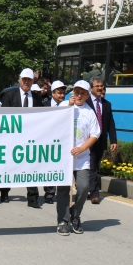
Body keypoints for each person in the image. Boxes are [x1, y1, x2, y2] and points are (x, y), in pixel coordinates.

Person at [56, 80, 100, 236]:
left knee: (83, 187)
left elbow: (95, 134)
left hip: (82, 159)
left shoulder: (89, 112)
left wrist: (82, 148)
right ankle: (62, 221)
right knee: (62, 190)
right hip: (64, 158)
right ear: (73, 92)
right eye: (77, 92)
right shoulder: (64, 106)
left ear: (88, 95)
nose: (79, 96)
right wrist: (68, 106)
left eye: (83, 93)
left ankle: (75, 214)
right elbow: (54, 122)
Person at [0, 68, 43, 207]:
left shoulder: (37, 98)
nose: (26, 82)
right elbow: (4, 117)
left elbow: (42, 118)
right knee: (9, 165)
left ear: (32, 81)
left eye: (29, 80)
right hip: (12, 137)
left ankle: (33, 198)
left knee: (31, 167)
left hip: (30, 138)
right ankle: (4, 192)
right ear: (19, 80)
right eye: (24, 79)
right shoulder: (10, 95)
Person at [84, 77, 117, 204]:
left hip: (101, 141)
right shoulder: (86, 102)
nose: (99, 88)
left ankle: (86, 188)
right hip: (88, 140)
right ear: (91, 88)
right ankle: (94, 194)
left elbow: (110, 123)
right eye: (97, 86)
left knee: (95, 166)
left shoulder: (106, 104)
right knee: (92, 167)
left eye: (101, 86)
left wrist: (113, 140)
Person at [42, 80, 68, 204]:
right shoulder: (44, 105)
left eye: (63, 93)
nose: (62, 96)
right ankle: (49, 193)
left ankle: (60, 192)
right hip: (47, 140)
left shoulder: (68, 106)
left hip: (62, 141)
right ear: (53, 93)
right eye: (59, 93)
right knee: (49, 167)